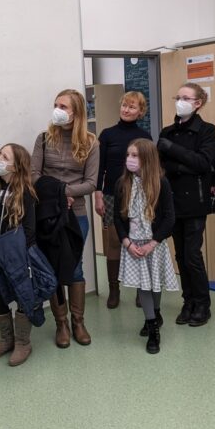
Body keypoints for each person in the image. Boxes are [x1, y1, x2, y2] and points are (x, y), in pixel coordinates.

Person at [32, 89, 99, 348]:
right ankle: (61, 324)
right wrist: (58, 194)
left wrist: (66, 194)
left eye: (63, 106)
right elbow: (34, 175)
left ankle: (78, 322)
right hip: (48, 213)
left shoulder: (91, 143)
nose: (57, 110)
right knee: (52, 267)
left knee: (75, 267)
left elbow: (91, 183)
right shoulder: (44, 139)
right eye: (55, 105)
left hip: (76, 214)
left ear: (76, 112)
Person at [157, 82, 215, 327]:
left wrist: (172, 150)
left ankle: (203, 304)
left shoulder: (207, 130)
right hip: (172, 201)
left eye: (185, 98)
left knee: (192, 254)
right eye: (178, 97)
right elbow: (162, 166)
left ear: (197, 103)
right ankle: (188, 301)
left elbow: (204, 163)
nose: (180, 101)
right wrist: (184, 165)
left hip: (195, 202)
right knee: (180, 255)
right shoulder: (167, 131)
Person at [114, 139, 177, 353]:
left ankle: (155, 313)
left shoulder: (161, 183)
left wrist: (153, 243)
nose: (129, 159)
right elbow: (117, 218)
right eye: (128, 155)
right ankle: (153, 329)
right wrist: (127, 242)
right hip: (133, 244)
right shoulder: (122, 184)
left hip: (154, 244)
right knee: (143, 286)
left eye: (135, 155)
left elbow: (169, 217)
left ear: (147, 159)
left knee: (155, 284)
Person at [0, 143, 37, 366]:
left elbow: (29, 231)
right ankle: (6, 340)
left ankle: (23, 343)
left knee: (21, 298)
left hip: (17, 258)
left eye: (5, 157)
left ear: (16, 166)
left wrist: (9, 254)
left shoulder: (26, 193)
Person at [94, 91, 152, 310]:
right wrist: (98, 193)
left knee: (138, 241)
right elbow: (99, 167)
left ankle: (140, 289)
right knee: (114, 241)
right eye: (124, 105)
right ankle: (114, 290)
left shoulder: (144, 136)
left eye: (132, 107)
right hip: (111, 194)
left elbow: (150, 168)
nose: (126, 110)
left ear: (140, 111)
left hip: (138, 195)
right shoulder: (107, 134)